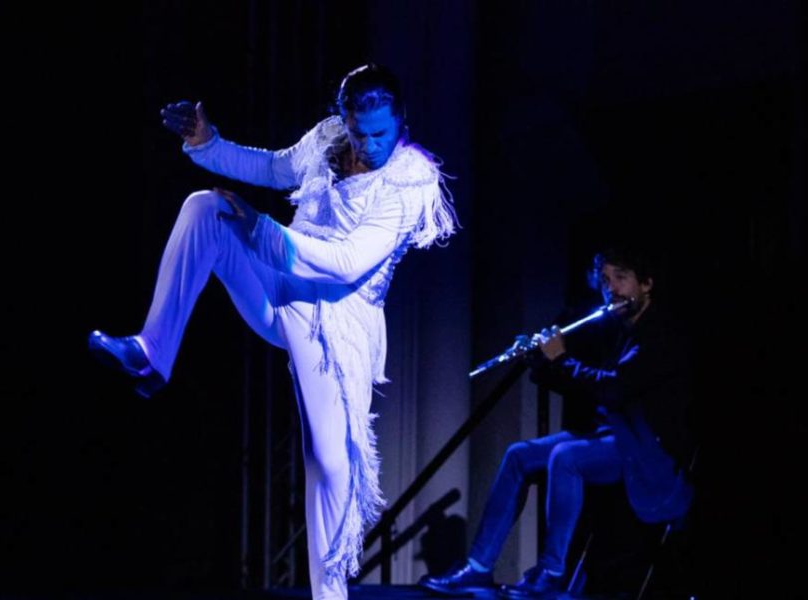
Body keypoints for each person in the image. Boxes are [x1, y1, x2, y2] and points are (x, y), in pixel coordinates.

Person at [88, 64, 457, 599]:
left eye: (382, 132)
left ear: (402, 120)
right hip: (278, 286)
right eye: (360, 132)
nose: (370, 144)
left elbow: (346, 263)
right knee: (205, 210)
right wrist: (207, 144)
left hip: (336, 323)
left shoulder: (410, 178)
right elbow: (275, 168)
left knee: (330, 464)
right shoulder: (330, 138)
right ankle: (151, 351)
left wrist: (260, 231)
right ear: (344, 120)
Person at [419, 247, 694, 599]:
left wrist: (560, 359)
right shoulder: (615, 326)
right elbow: (583, 378)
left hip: (648, 453)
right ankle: (478, 568)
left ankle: (551, 574)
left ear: (647, 284)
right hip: (613, 437)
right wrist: (541, 359)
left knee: (566, 457)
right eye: (606, 280)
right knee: (519, 454)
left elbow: (612, 388)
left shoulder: (661, 334)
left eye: (621, 279)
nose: (612, 290)